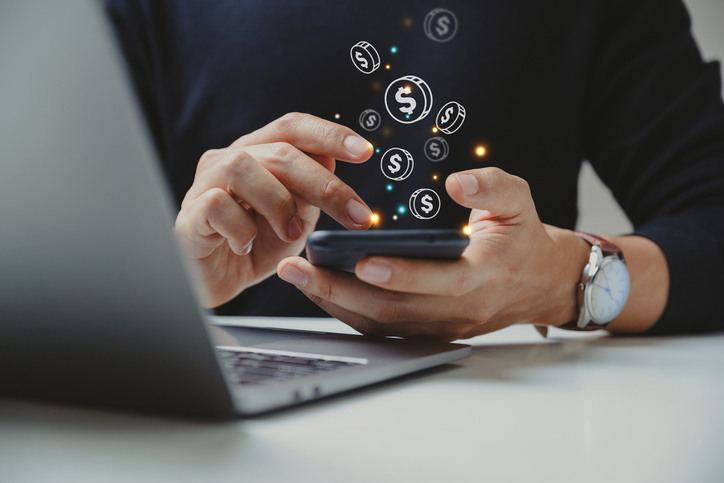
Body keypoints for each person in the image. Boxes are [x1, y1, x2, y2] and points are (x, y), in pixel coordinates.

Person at [105, 0, 724, 339]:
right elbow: (55, 251)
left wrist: (567, 281)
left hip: (510, 427)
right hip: (224, 428)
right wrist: (173, 285)